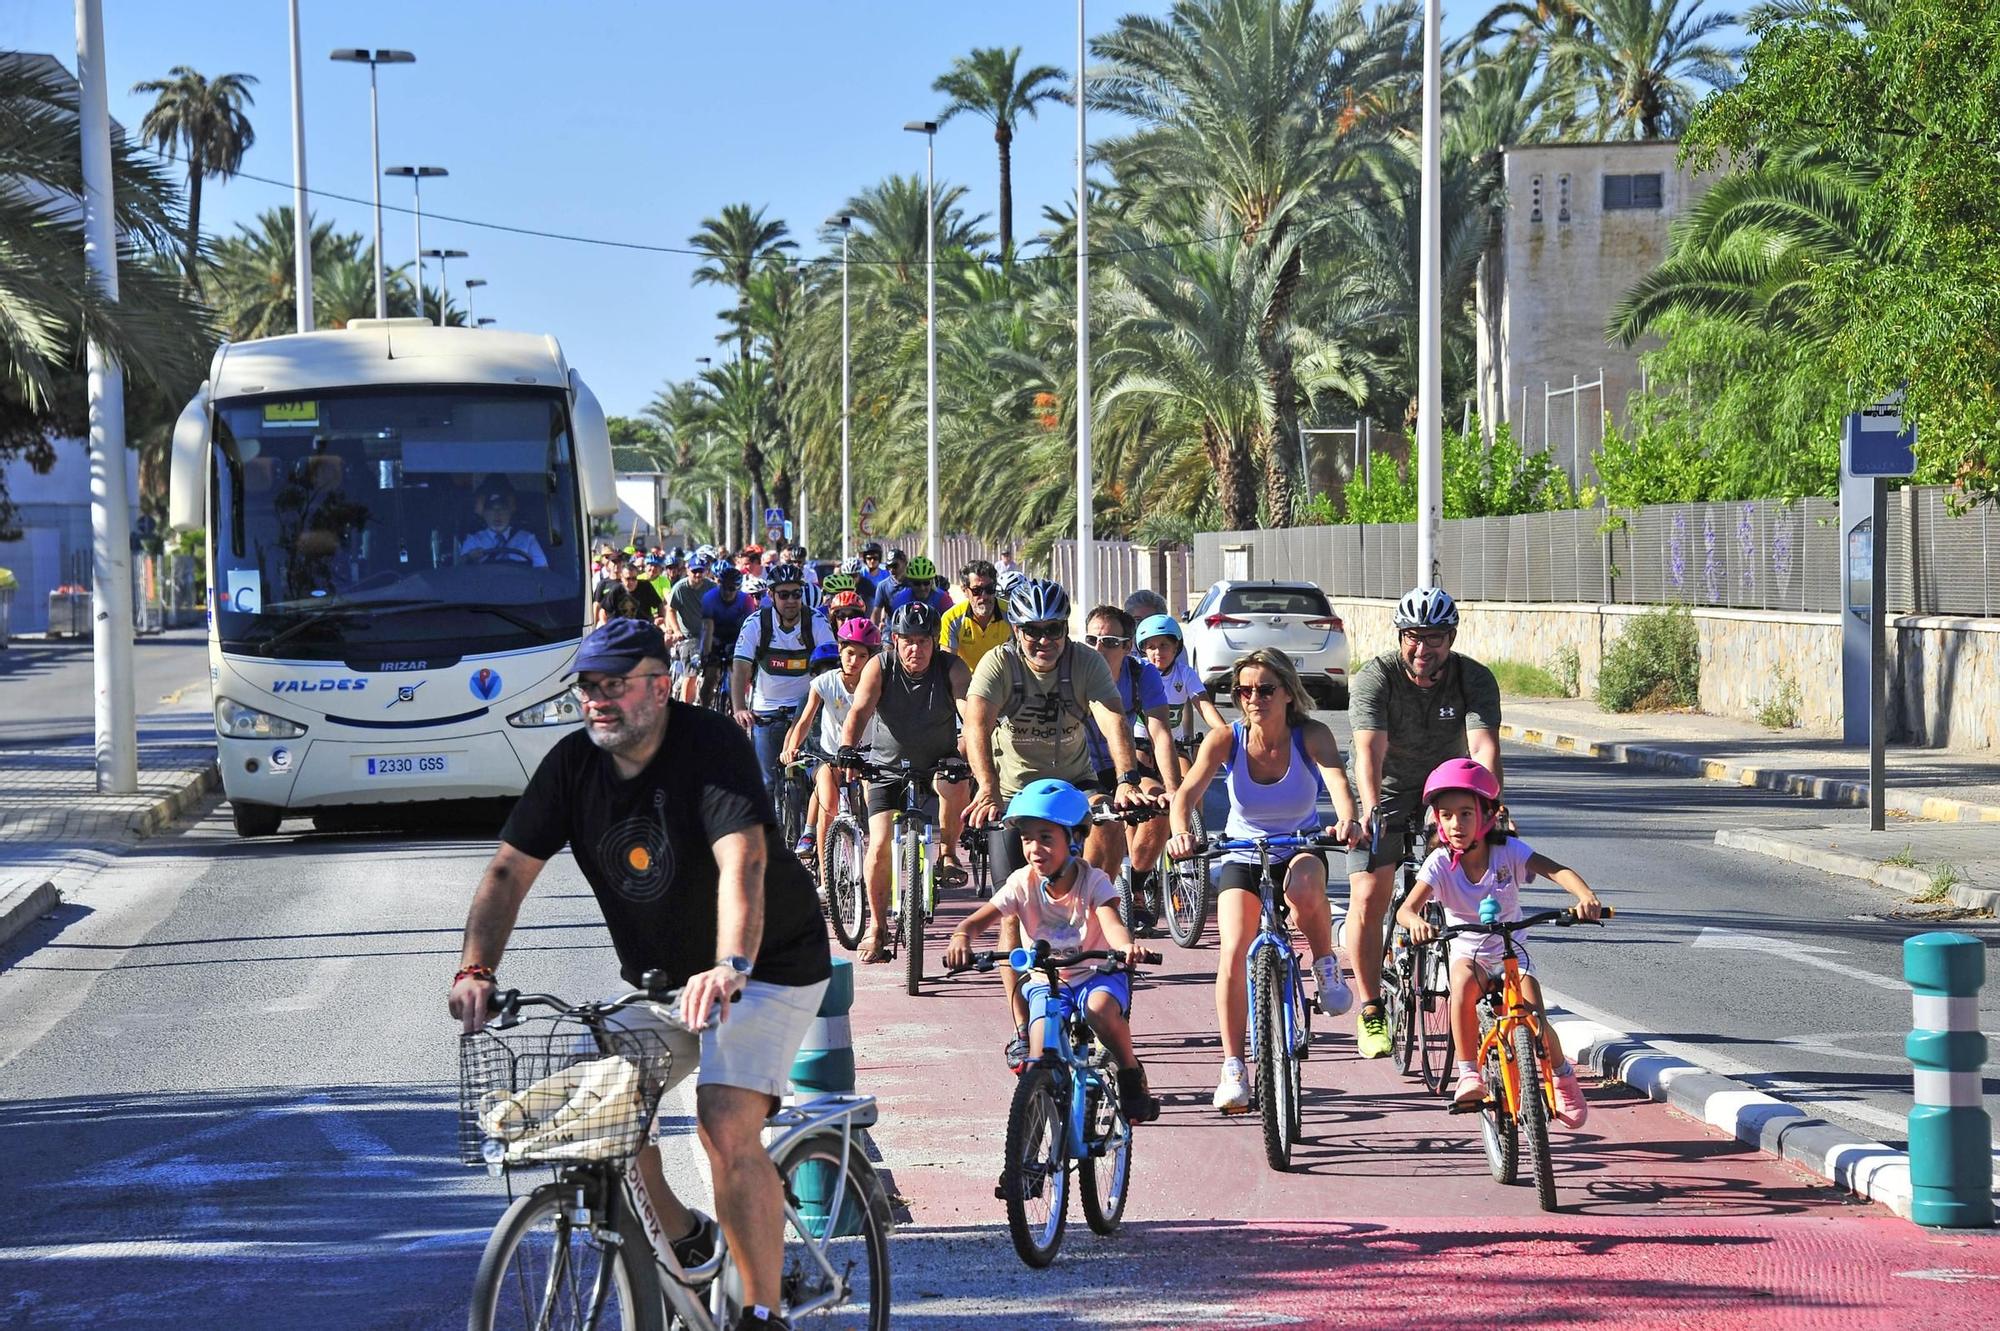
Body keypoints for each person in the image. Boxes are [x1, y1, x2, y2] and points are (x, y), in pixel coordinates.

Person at [450, 619, 831, 1331]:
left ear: (660, 686)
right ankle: (685, 1236)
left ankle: (763, 1309)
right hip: (661, 987)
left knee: (723, 1120)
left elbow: (741, 862)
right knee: (599, 1113)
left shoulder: (709, 747)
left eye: (614, 685)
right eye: (588, 686)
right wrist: (477, 966)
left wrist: (731, 964)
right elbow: (507, 871)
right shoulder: (572, 765)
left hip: (765, 965)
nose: (597, 699)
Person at [1166, 648, 1361, 1113]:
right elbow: (1184, 797)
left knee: (1303, 890)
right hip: (1241, 850)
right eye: (1243, 690)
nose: (1254, 698)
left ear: (1288, 693)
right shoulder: (1224, 739)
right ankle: (1233, 1066)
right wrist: (1179, 835)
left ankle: (1325, 965)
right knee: (1233, 948)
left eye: (1265, 689)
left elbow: (1338, 784)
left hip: (1300, 844)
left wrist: (1349, 821)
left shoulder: (1310, 736)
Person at [963, 577, 1159, 1034]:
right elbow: (976, 723)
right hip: (1014, 793)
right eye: (1033, 630)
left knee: (1110, 819)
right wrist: (987, 786)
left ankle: (1092, 909)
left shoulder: (1085, 661)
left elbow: (1113, 719)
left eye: (1054, 629)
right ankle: (1020, 1028)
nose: (1044, 640)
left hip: (1074, 784)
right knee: (1010, 914)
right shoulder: (998, 664)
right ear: (1016, 630)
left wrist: (1128, 779)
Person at [943, 779, 1160, 1125]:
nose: (1034, 849)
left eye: (1046, 838)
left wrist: (1126, 948)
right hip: (1048, 981)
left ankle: (1131, 1074)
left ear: (1074, 840)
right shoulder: (1022, 883)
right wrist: (961, 936)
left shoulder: (1093, 881)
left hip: (1096, 974)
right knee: (1038, 1058)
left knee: (1100, 1011)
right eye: (1027, 839)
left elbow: (1112, 923)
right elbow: (978, 921)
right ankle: (1025, 1157)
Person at [1397, 758, 1600, 1126]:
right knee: (1460, 985)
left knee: (1534, 1014)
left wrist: (1585, 896)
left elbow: (1555, 870)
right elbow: (1407, 909)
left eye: (1465, 813)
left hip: (1511, 952)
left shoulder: (1508, 851)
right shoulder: (1440, 863)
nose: (1456, 824)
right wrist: (1415, 923)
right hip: (1468, 952)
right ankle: (1468, 1073)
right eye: (1446, 815)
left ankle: (1562, 1076)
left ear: (1487, 814)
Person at [1345, 586, 1502, 1060]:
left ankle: (1471, 977)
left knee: (1467, 866)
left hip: (1447, 786)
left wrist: (1491, 805)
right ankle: (1372, 1009)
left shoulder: (1473, 678)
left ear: (1450, 638)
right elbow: (1368, 751)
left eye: (1434, 637)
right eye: (1413, 636)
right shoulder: (1376, 678)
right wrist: (1370, 807)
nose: (1422, 648)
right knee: (1370, 894)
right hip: (1387, 788)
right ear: (1400, 636)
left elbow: (1483, 748)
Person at [836, 601, 972, 962]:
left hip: (937, 765)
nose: (916, 649)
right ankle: (877, 928)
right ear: (894, 640)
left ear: (934, 641)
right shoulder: (880, 665)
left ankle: (947, 854)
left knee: (955, 781)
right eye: (907, 640)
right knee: (879, 844)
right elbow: (860, 710)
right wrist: (847, 749)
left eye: (923, 641)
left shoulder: (951, 667)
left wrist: (972, 752)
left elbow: (969, 714)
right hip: (886, 769)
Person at [1080, 605, 1179, 933]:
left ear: (1126, 647)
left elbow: (1160, 731)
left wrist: (1174, 790)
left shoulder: (1141, 675)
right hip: (1080, 769)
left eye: (1108, 642)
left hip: (1127, 766)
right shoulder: (1071, 672)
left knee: (1159, 807)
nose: (1097, 648)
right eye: (1091, 639)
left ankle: (1135, 886)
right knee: (1101, 817)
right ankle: (1088, 897)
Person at [780, 617, 880, 865]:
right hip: (830, 755)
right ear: (840, 650)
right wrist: (792, 747)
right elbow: (804, 720)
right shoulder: (824, 682)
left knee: (876, 802)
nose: (854, 661)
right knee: (828, 802)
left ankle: (877, 859)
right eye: (849, 653)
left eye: (861, 656)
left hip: (868, 755)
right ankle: (826, 877)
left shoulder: (878, 683)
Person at [731, 563, 821, 805]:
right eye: (784, 595)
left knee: (818, 781)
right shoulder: (756, 623)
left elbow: (831, 666)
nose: (791, 600)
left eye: (796, 594)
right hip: (766, 713)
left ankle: (810, 833)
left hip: (806, 713)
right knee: (767, 785)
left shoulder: (816, 622)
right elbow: (740, 668)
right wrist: (739, 708)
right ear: (771, 595)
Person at [1135, 614, 1226, 764]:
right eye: (1151, 647)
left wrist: (1225, 731)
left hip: (1173, 745)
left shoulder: (1185, 673)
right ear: (1143, 649)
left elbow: (1204, 706)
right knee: (1142, 778)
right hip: (1140, 742)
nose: (1158, 652)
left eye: (1164, 645)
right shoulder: (1136, 670)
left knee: (1184, 781)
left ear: (1176, 646)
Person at [458, 475, 548, 567]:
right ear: (483, 513)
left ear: (511, 511)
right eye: (492, 510)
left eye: (503, 509)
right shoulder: (473, 541)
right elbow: (459, 571)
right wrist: (469, 558)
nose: (497, 515)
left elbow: (543, 573)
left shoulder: (527, 540)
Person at [939, 559, 1010, 673]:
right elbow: (948, 665)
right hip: (966, 684)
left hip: (1002, 682)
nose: (984, 596)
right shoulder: (951, 618)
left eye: (989, 589)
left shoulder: (1011, 615)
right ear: (965, 590)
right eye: (977, 590)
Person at [666, 556, 716, 704]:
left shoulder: (711, 587)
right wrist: (676, 630)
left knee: (716, 669)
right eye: (694, 571)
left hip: (709, 634)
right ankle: (686, 707)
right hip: (690, 636)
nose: (698, 575)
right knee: (691, 672)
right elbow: (670, 611)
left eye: (701, 571)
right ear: (688, 571)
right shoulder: (680, 588)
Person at [597, 558, 665, 627]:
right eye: (628, 579)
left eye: (634, 578)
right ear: (622, 578)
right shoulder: (615, 590)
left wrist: (661, 617)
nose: (631, 582)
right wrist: (605, 627)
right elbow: (603, 611)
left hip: (643, 627)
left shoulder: (645, 586)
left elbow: (659, 604)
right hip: (622, 628)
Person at [884, 554, 952, 618]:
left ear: (932, 582)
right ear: (909, 582)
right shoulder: (899, 601)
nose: (922, 588)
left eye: (926, 582)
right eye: (917, 583)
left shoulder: (943, 599)